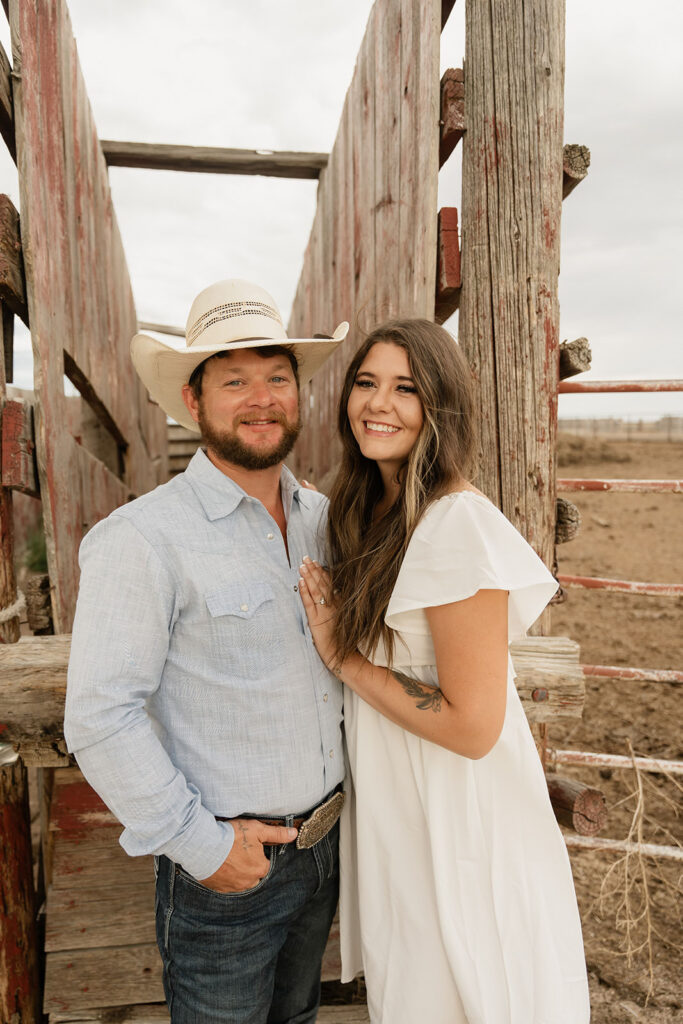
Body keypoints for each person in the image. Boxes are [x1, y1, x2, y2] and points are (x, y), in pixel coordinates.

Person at [64, 279, 350, 1024]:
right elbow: (100, 715)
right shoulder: (142, 539)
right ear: (192, 401)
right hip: (229, 865)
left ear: (298, 393)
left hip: (325, 854)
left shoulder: (324, 520)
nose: (261, 398)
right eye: (234, 381)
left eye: (277, 377)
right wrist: (202, 846)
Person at [297, 319, 591, 1024]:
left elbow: (472, 726)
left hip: (461, 816)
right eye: (365, 383)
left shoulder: (454, 525)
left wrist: (343, 658)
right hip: (410, 808)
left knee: (470, 990)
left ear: (440, 406)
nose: (378, 403)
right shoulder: (371, 512)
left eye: (405, 389)